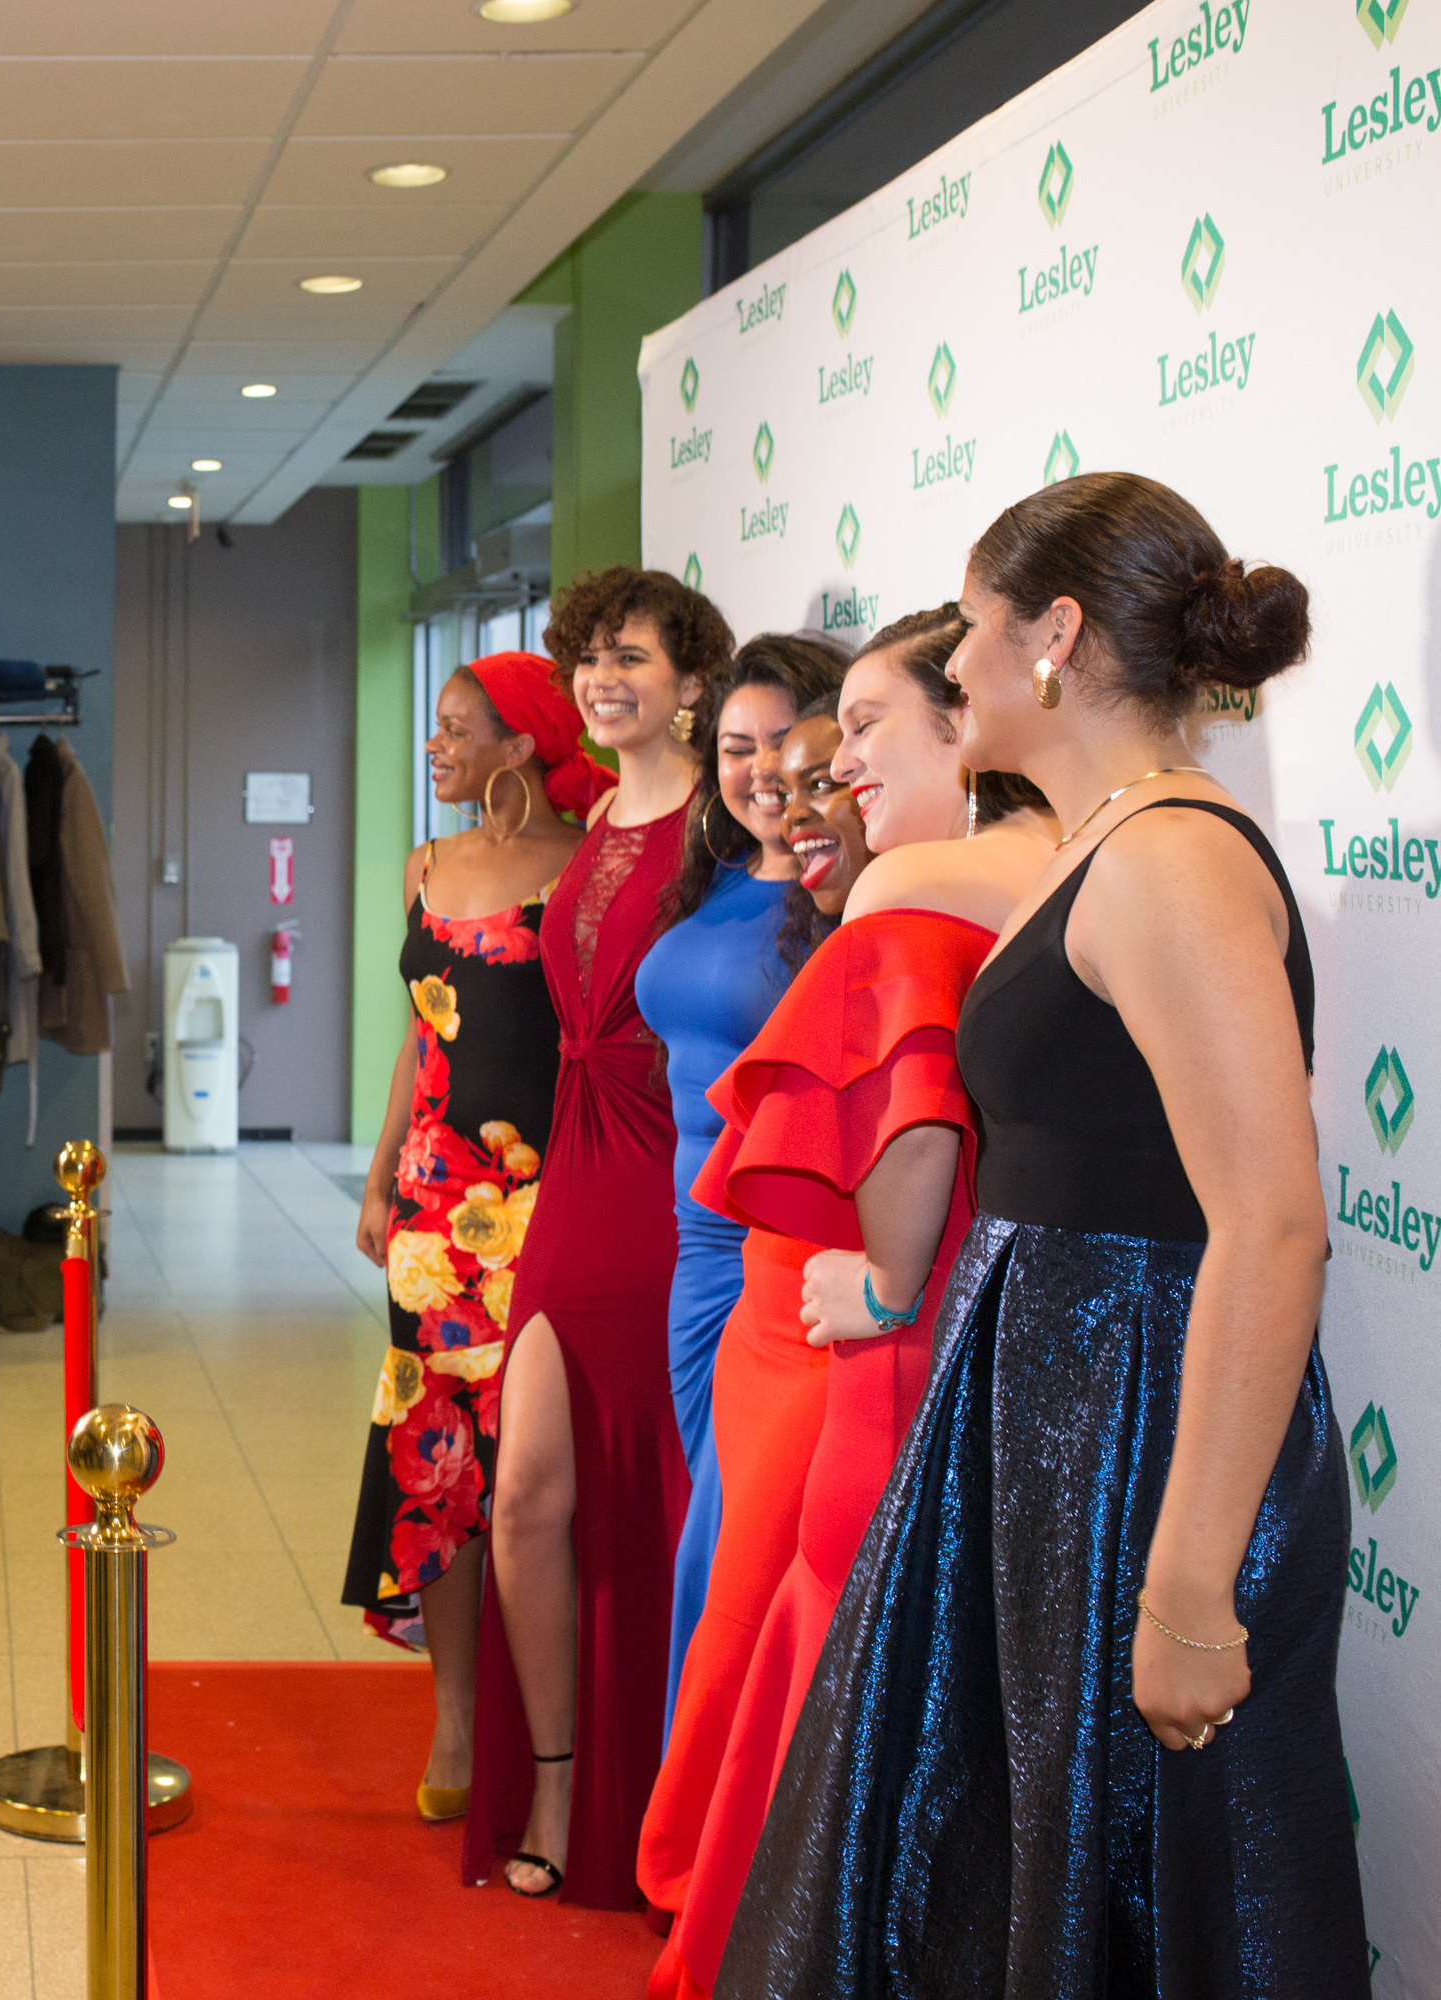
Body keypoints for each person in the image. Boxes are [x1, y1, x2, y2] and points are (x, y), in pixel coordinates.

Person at [724, 475, 1370, 1993]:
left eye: (978, 627)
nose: (953, 668)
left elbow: (1272, 1228)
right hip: (1057, 1431)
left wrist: (1195, 1589)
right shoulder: (1109, 840)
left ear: (1057, 636)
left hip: (1140, 1444)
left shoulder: (1169, 860)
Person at [641, 609, 1054, 1997]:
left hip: (867, 1327)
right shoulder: (1044, 870)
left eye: (859, 736)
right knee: (765, 1616)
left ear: (969, 728)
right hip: (812, 1305)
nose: (823, 783)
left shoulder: (919, 895)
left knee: (816, 1636)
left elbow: (917, 1126)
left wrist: (880, 1286)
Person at [465, 566, 728, 1904]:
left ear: (694, 678)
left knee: (663, 1502)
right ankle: (559, 1776)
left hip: (674, 1178)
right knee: (529, 1496)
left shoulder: (724, 823)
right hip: (575, 1165)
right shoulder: (601, 813)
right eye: (589, 656)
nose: (603, 675)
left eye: (632, 655)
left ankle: (665, 1804)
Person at [347, 653, 598, 1825]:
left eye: (457, 729)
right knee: (432, 1458)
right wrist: (380, 1174)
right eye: (436, 727)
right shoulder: (427, 865)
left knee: (529, 1466)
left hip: (542, 1204)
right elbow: (419, 1036)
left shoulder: (583, 869)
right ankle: (454, 1707)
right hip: (435, 1210)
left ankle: (540, 1703)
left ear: (521, 744)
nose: (436, 746)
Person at [632, 631, 844, 1719]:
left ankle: (733, 1860)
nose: (759, 770)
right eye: (733, 746)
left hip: (785, 1262)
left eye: (782, 742)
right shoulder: (709, 879)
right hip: (694, 1253)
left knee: (740, 1559)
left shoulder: (848, 897)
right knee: (716, 1548)